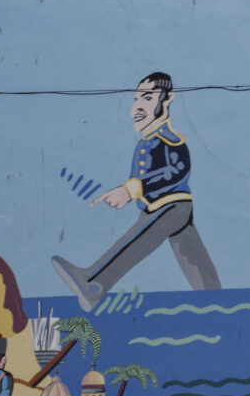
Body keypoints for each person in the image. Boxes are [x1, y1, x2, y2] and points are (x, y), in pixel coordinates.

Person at [51, 71, 221, 311]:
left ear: (167, 99)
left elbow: (177, 171)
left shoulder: (171, 140)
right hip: (154, 207)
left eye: (148, 98)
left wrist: (132, 190)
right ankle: (216, 302)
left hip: (172, 206)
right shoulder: (146, 141)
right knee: (195, 261)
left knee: (136, 240)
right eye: (137, 99)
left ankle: (94, 284)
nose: (138, 107)